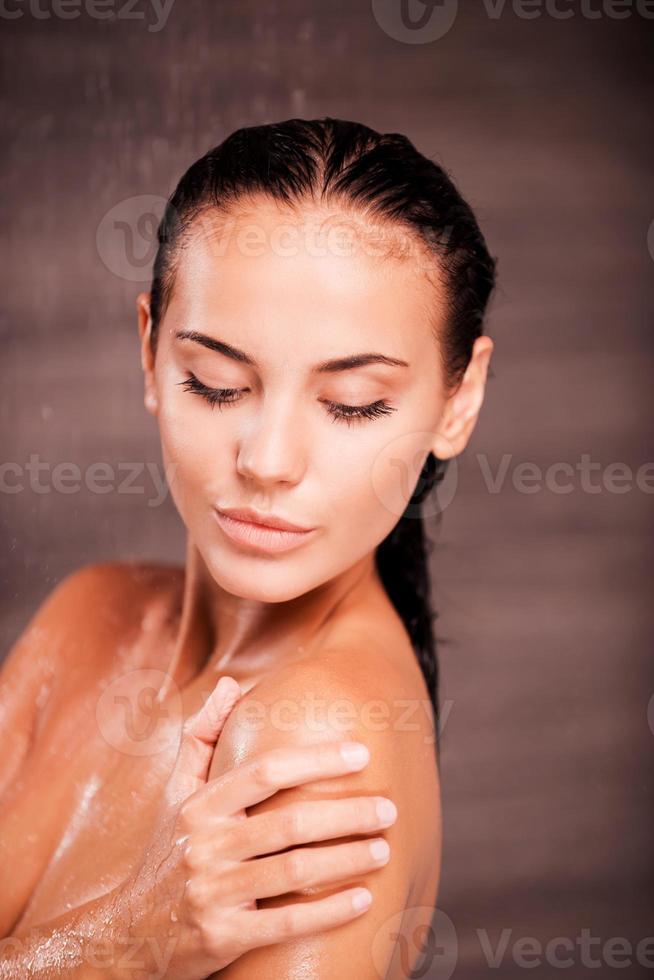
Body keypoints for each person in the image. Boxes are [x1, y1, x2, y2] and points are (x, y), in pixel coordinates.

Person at [0, 116, 496, 978]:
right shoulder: (89, 617)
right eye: (217, 383)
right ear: (150, 349)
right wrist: (122, 945)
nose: (267, 461)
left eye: (351, 403)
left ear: (460, 399)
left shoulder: (315, 737)